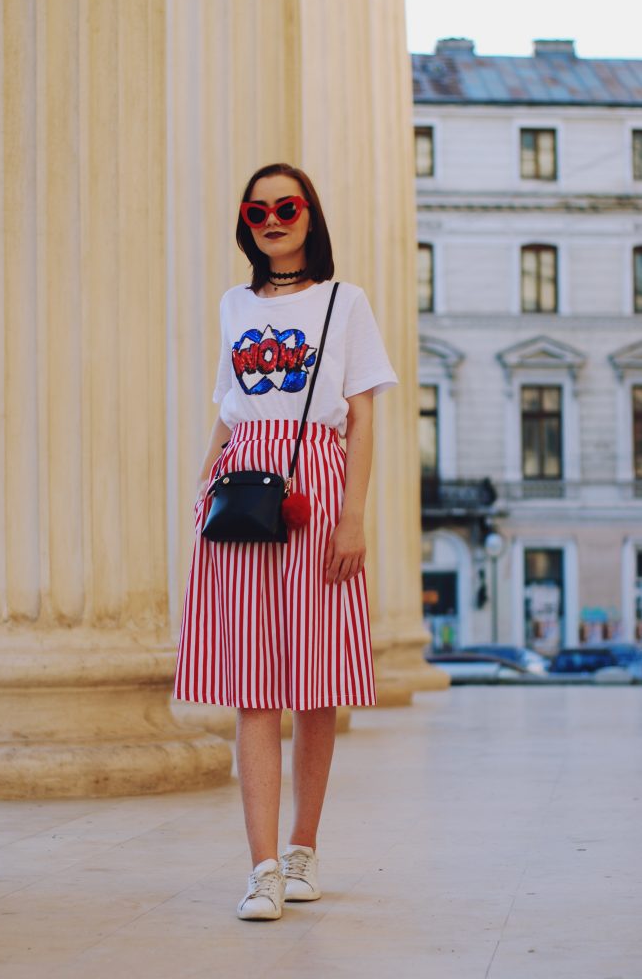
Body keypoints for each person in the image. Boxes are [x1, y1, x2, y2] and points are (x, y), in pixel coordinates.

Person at [173, 162, 398, 921]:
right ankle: (261, 867)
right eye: (258, 209)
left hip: (319, 489)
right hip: (242, 494)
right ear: (247, 221)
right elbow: (230, 410)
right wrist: (204, 486)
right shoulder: (234, 304)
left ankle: (303, 849)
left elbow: (363, 416)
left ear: (310, 216)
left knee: (317, 682)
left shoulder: (345, 302)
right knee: (253, 686)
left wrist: (355, 513)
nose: (273, 219)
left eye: (288, 206)